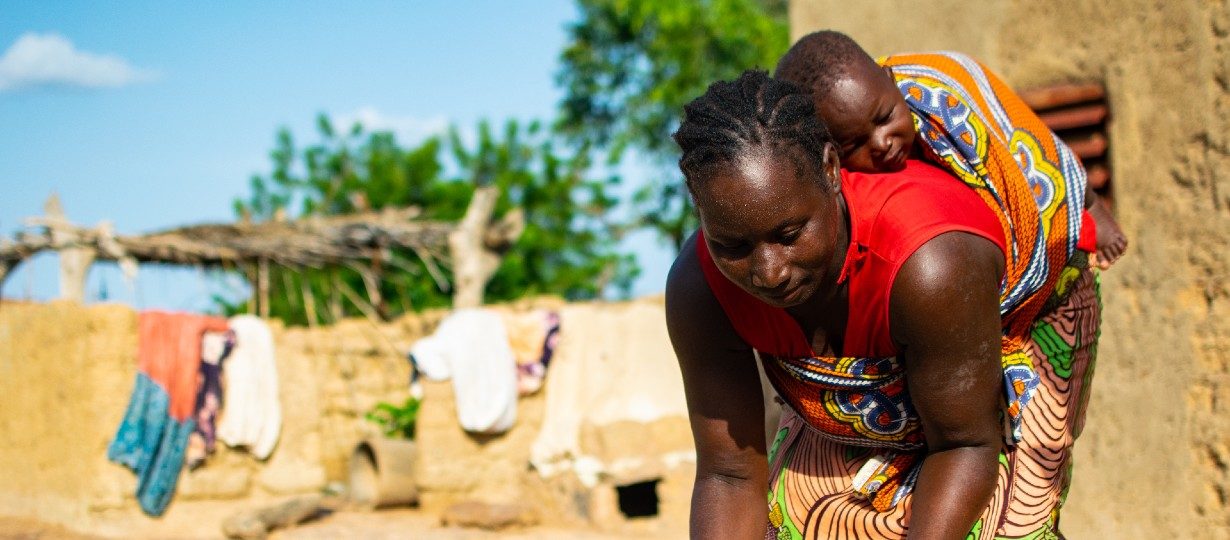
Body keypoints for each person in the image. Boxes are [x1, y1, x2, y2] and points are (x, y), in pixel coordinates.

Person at [666, 70, 1100, 538]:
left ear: (831, 170)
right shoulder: (702, 290)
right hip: (857, 401)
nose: (769, 272)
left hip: (998, 357)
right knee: (800, 524)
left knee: (1004, 526)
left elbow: (965, 444)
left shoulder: (930, 266)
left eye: (789, 235)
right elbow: (729, 475)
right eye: (733, 245)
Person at [775, 30, 1129, 270]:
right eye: (854, 144)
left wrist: (1092, 208)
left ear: (891, 81)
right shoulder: (843, 188)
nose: (882, 143)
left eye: (885, 118)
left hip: (1049, 238)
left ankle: (1092, 208)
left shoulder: (943, 100)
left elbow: (1025, 140)